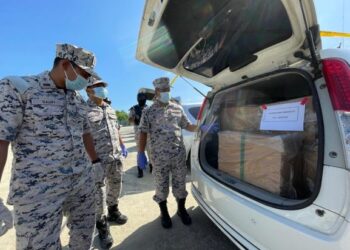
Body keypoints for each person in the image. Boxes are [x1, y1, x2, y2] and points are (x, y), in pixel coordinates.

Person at [0, 43, 102, 250]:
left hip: (81, 182)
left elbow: (85, 132)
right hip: (38, 192)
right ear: (65, 64)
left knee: (84, 237)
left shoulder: (77, 99)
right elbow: (1, 138)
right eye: (85, 74)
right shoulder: (19, 88)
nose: (87, 81)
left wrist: (95, 161)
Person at [137, 77, 197, 229]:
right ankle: (164, 213)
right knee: (161, 187)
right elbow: (142, 132)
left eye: (168, 90)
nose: (166, 92)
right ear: (156, 92)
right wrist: (140, 152)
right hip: (159, 158)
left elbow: (187, 125)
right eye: (163, 90)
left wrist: (201, 127)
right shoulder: (148, 111)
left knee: (180, 185)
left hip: (178, 155)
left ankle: (181, 210)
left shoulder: (178, 108)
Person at [85, 79, 128, 249]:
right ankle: (101, 225)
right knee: (98, 194)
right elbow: (83, 136)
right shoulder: (84, 110)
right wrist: (93, 160)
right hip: (97, 160)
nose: (102, 90)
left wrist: (123, 144)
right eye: (98, 87)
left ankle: (113, 211)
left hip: (115, 156)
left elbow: (116, 128)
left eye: (103, 87)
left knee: (116, 185)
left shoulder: (110, 108)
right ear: (89, 90)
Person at [128, 92, 152, 178]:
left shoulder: (149, 108)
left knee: (150, 151)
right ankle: (140, 169)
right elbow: (130, 121)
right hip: (138, 132)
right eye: (140, 98)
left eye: (143, 98)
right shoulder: (134, 109)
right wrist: (133, 118)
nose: (142, 99)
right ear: (138, 99)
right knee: (140, 151)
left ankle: (151, 166)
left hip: (149, 133)